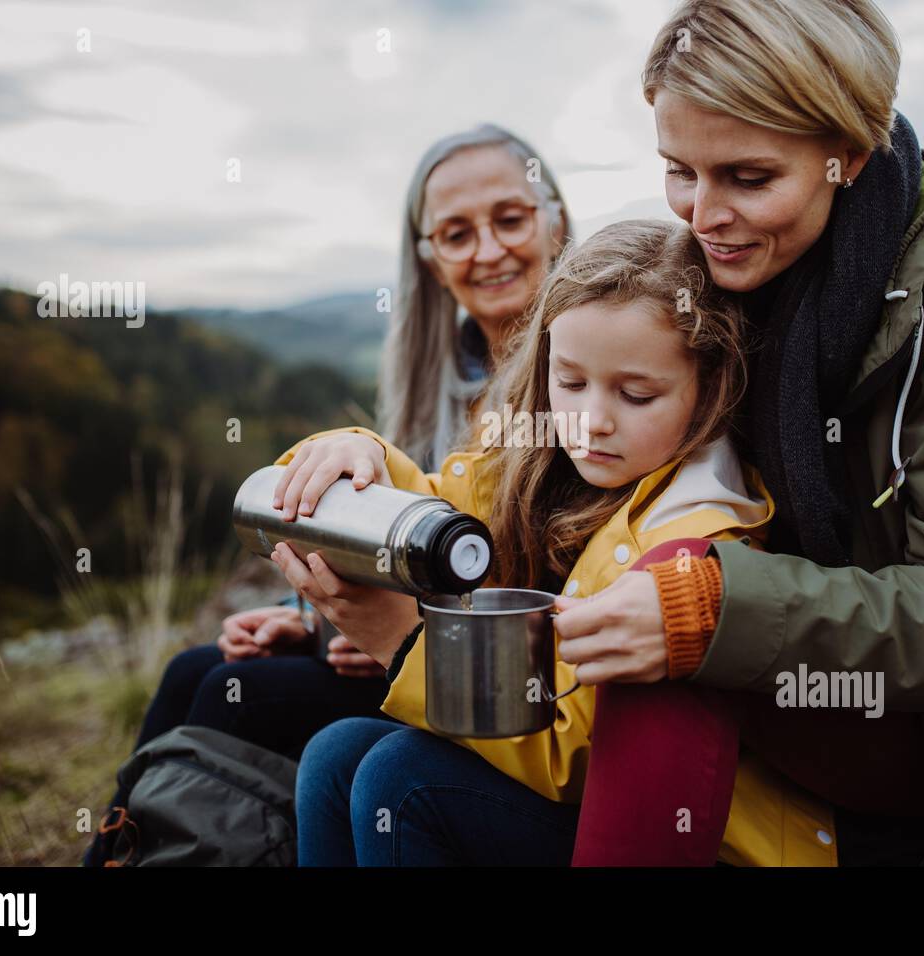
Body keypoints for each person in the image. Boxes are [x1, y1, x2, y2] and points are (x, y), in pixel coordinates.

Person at [272, 0, 924, 867]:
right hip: (792, 672)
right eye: (680, 170)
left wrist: (708, 609)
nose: (704, 215)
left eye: (747, 178)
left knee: (665, 667)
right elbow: (536, 473)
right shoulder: (734, 262)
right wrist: (376, 477)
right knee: (364, 759)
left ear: (850, 152)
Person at [275, 219, 839, 865]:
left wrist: (402, 641)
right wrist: (354, 453)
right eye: (569, 382)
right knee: (337, 754)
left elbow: (577, 755)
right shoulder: (544, 463)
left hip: (697, 842)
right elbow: (432, 508)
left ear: (710, 389)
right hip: (557, 792)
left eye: (635, 394)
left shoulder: (700, 533)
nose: (591, 421)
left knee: (401, 781)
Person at [82, 123, 570, 866]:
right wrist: (304, 618)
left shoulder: (585, 373)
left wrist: (393, 632)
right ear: (429, 258)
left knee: (233, 699)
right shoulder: (440, 377)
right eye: (456, 233)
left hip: (477, 678)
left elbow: (526, 572)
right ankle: (115, 858)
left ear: (556, 219)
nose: (488, 250)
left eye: (510, 219)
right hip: (391, 654)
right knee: (198, 669)